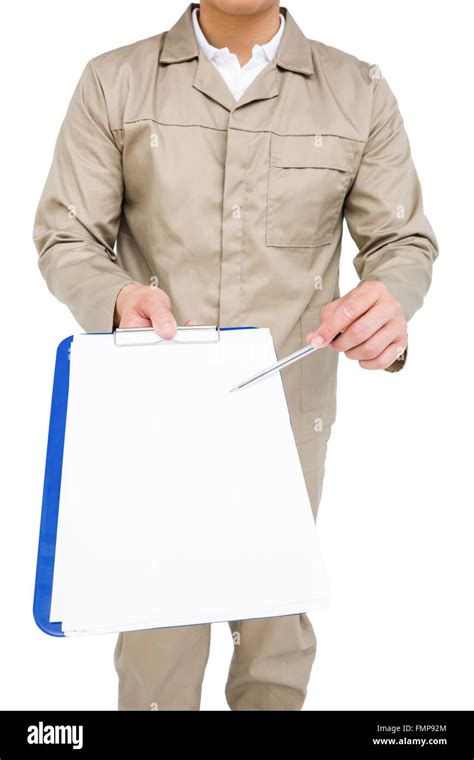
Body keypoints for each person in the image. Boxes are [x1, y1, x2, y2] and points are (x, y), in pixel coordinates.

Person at [33, 1, 438, 711]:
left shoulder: (358, 89)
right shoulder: (114, 83)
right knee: (157, 645)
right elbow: (66, 236)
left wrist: (389, 300)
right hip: (154, 418)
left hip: (291, 417)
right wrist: (118, 298)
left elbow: (402, 242)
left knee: (275, 645)